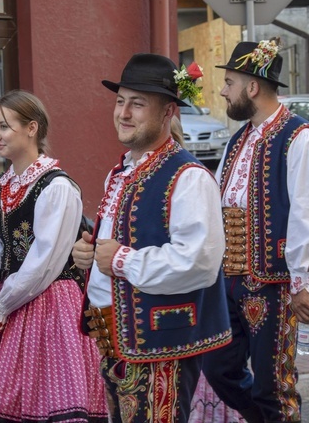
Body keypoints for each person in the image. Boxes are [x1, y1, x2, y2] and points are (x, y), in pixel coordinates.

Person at [72, 53, 232, 423]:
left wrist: (120, 260)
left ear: (167, 112)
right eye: (120, 101)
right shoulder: (122, 170)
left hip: (162, 344)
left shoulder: (188, 176)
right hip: (115, 338)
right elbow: (120, 242)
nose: (123, 113)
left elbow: (199, 263)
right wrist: (89, 256)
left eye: (137, 104)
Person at [0, 89, 107, 422]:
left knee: (44, 395)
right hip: (5, 301)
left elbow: (45, 261)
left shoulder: (57, 187)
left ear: (32, 128)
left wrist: (3, 304)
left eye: (4, 126)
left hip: (50, 304)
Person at [200, 39, 309, 423]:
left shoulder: (299, 136)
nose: (223, 90)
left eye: (230, 82)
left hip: (272, 282)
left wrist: (301, 282)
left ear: (252, 87)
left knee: (273, 385)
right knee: (218, 369)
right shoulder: (239, 138)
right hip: (228, 279)